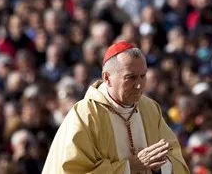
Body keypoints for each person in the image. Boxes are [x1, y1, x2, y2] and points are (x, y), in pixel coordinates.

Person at [43, 41, 189, 174]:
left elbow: (176, 159)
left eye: (143, 76)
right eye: (130, 77)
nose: (139, 85)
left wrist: (160, 165)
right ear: (107, 78)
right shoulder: (85, 115)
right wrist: (129, 167)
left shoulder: (149, 108)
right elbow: (72, 170)